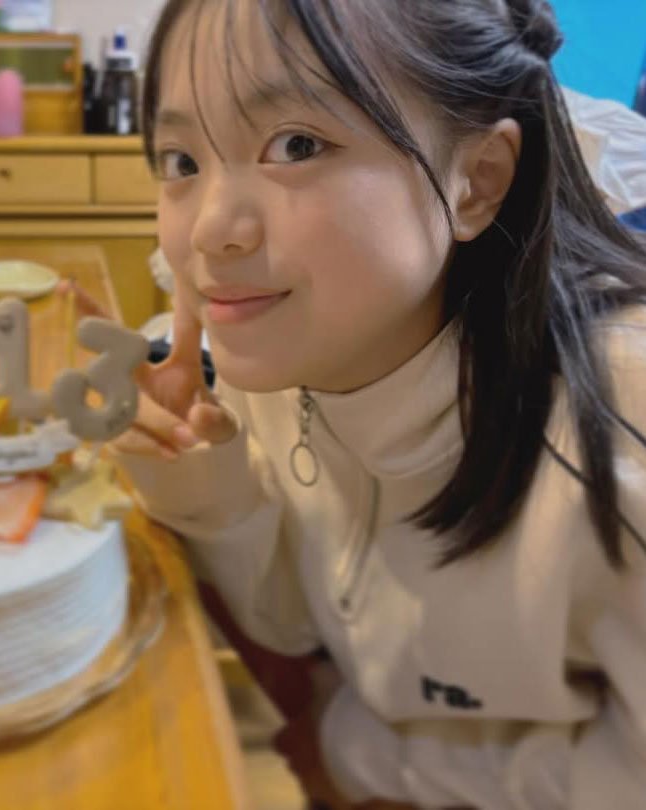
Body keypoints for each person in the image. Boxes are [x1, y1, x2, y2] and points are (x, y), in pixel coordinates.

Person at [107, 1, 646, 807]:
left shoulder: (619, 433)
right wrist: (199, 474)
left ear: (477, 181)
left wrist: (362, 756)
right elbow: (300, 623)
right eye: (181, 160)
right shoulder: (280, 357)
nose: (210, 231)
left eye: (296, 145)